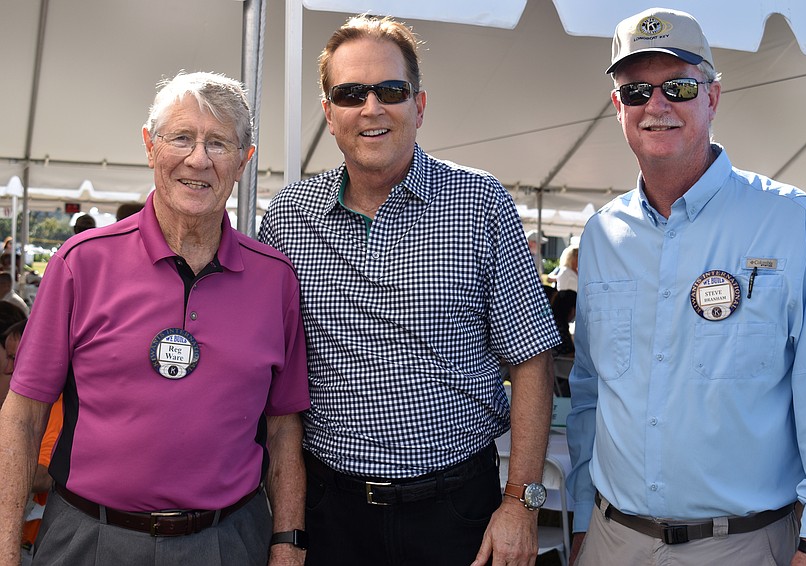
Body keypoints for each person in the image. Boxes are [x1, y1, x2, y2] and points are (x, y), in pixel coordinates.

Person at [259, 14, 560, 566]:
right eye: (351, 93)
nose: (371, 108)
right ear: (329, 114)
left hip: (456, 511)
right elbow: (275, 391)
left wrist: (522, 502)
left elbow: (532, 363)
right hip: (332, 515)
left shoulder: (481, 203)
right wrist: (289, 529)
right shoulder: (287, 219)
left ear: (418, 106)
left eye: (390, 90)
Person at [567, 7, 806, 566]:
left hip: (743, 545)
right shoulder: (603, 233)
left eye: (678, 86)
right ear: (617, 109)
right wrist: (580, 520)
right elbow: (590, 390)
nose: (657, 105)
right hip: (612, 539)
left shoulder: (790, 221)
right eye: (636, 91)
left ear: (713, 98)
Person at [0, 71, 310, 566]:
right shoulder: (82, 263)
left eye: (219, 143)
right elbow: (23, 414)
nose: (198, 159)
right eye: (181, 138)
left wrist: (287, 542)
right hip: (90, 539)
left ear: (244, 161)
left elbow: (283, 427)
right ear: (149, 146)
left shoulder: (275, 280)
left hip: (227, 542)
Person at [1, 320, 62, 566]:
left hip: (41, 538)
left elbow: (46, 476)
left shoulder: (56, 402)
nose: (8, 368)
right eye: (8, 357)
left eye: (15, 358)